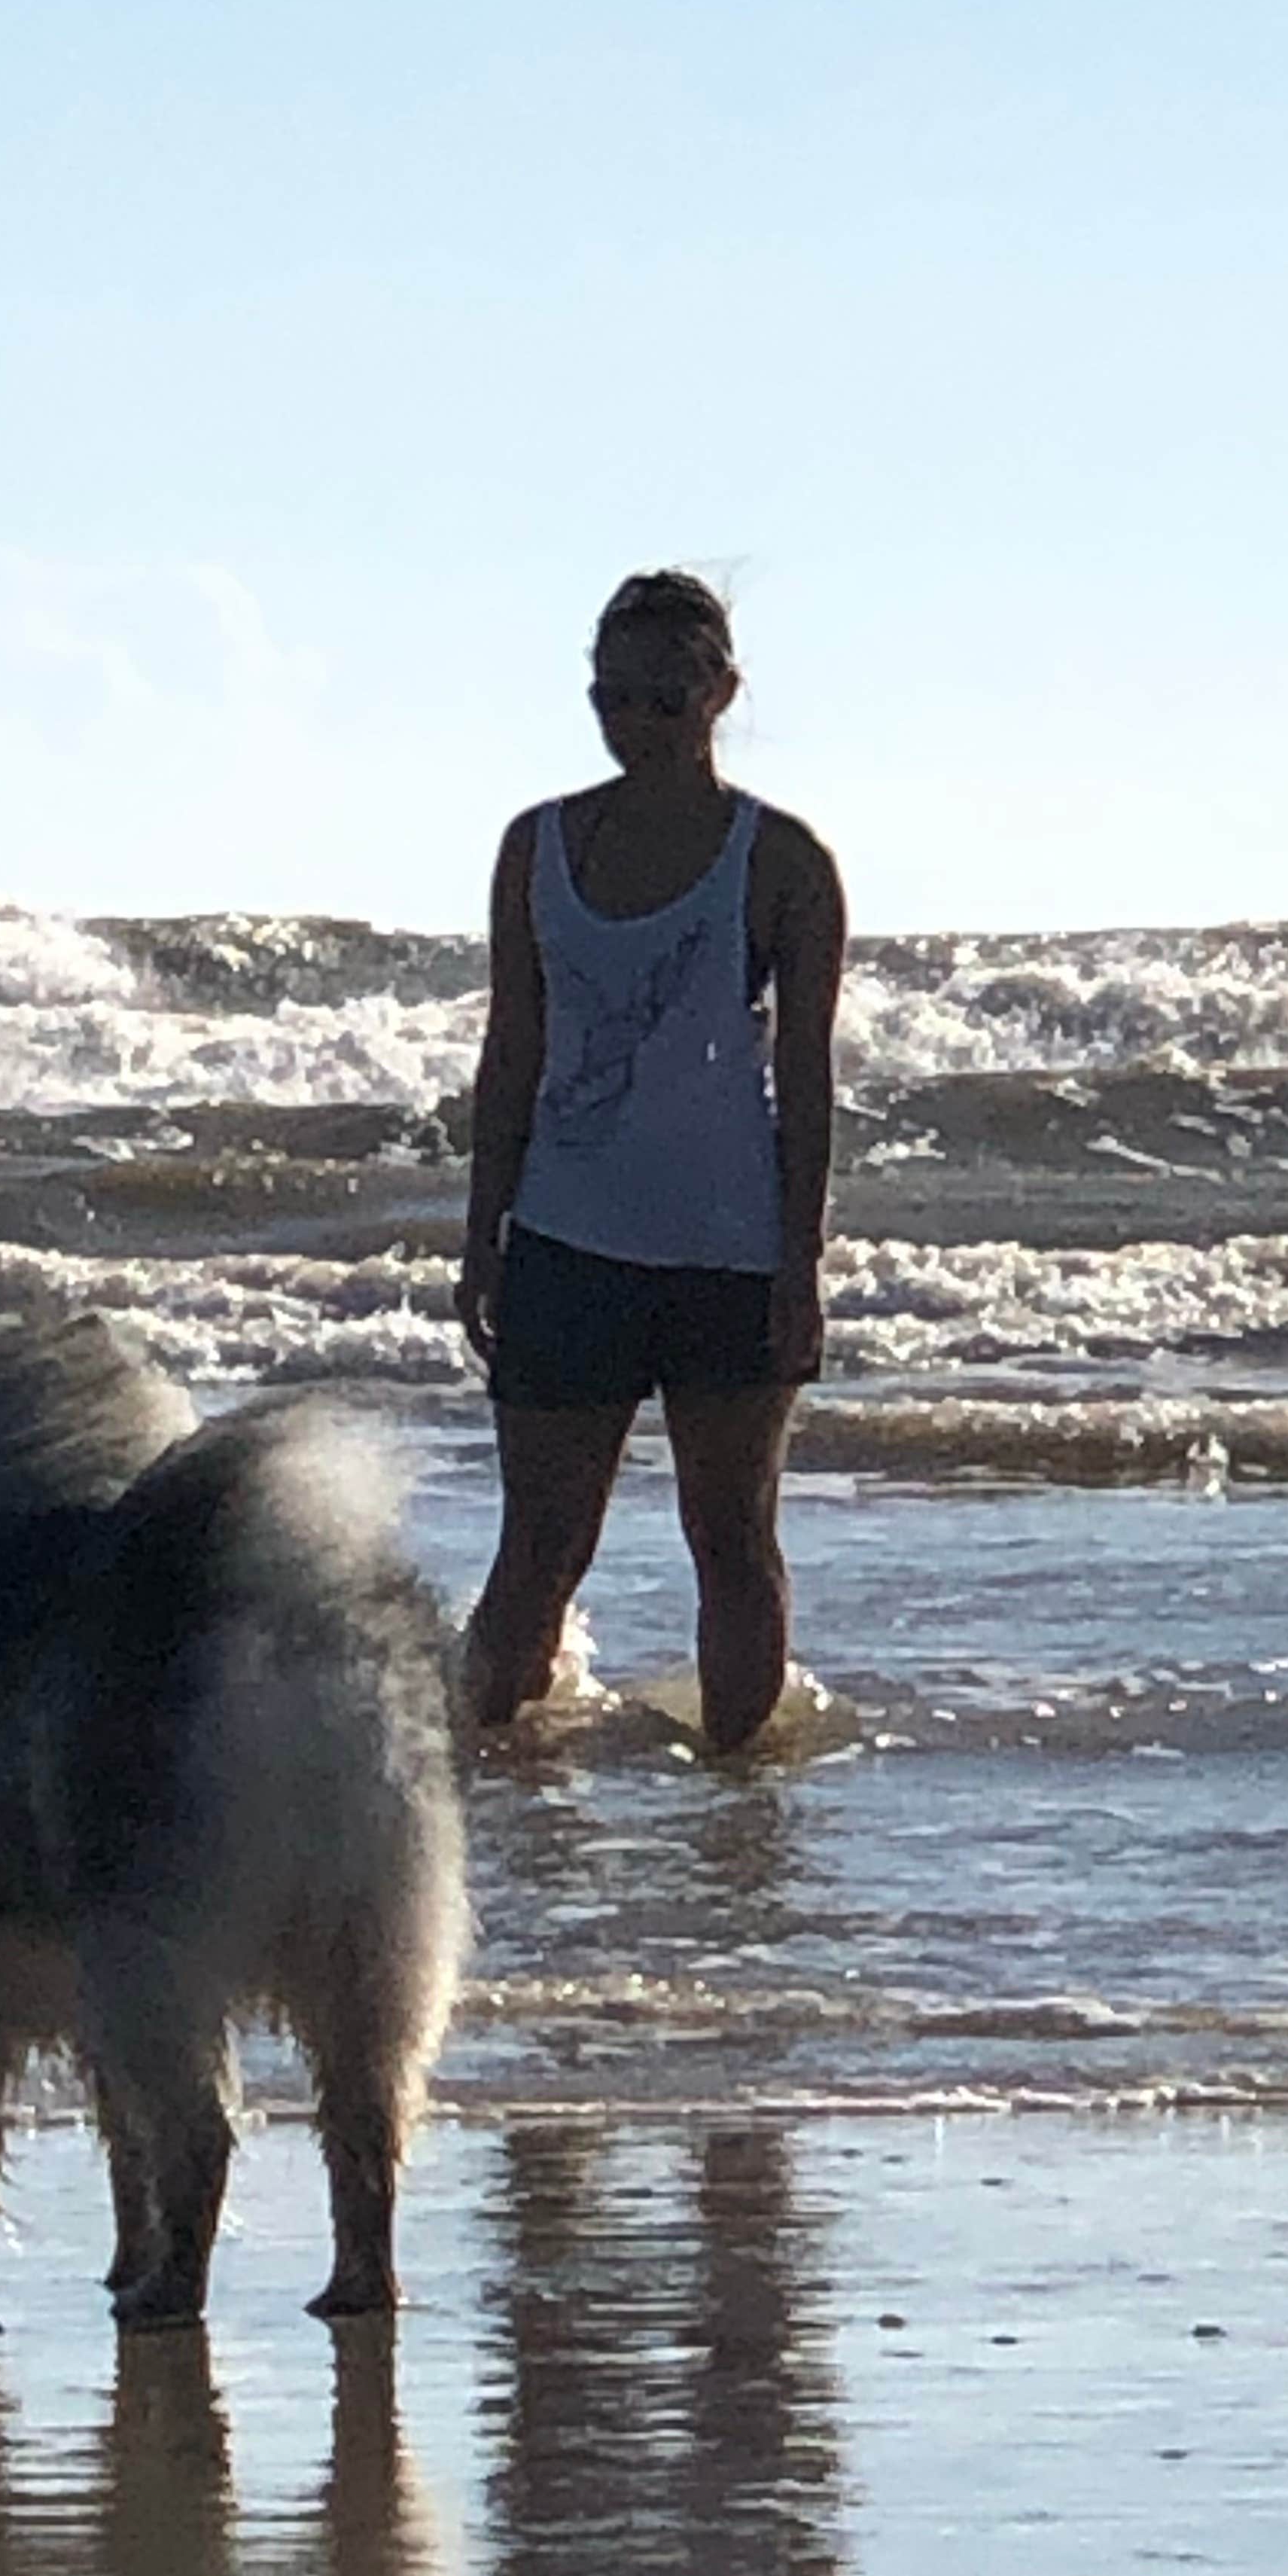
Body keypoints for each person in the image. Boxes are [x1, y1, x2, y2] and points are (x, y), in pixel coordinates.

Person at [455, 570, 846, 1752]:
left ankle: (739, 1823)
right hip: (569, 1242)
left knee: (730, 1541)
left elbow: (809, 1086)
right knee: (540, 1549)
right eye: (610, 700)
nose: (636, 726)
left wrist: (800, 1265)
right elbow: (511, 1052)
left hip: (729, 1252)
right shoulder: (538, 848)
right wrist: (484, 1237)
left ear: (721, 694)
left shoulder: (782, 862)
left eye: (663, 700)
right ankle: (488, 1794)